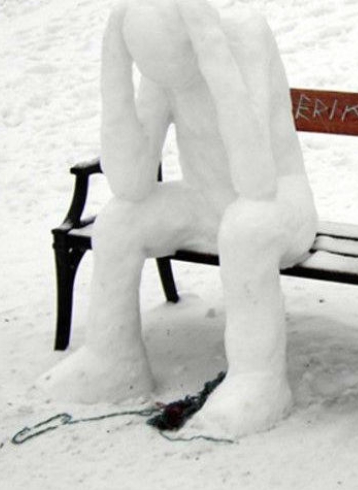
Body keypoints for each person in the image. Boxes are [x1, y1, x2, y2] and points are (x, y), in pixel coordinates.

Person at [39, 0, 317, 438]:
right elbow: (131, 183)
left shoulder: (245, 36)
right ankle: (112, 360)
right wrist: (115, 70)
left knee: (245, 228)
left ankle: (258, 379)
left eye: (174, 68)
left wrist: (213, 55)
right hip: (207, 202)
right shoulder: (163, 69)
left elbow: (257, 181)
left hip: (280, 203)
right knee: (118, 222)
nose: (169, 82)